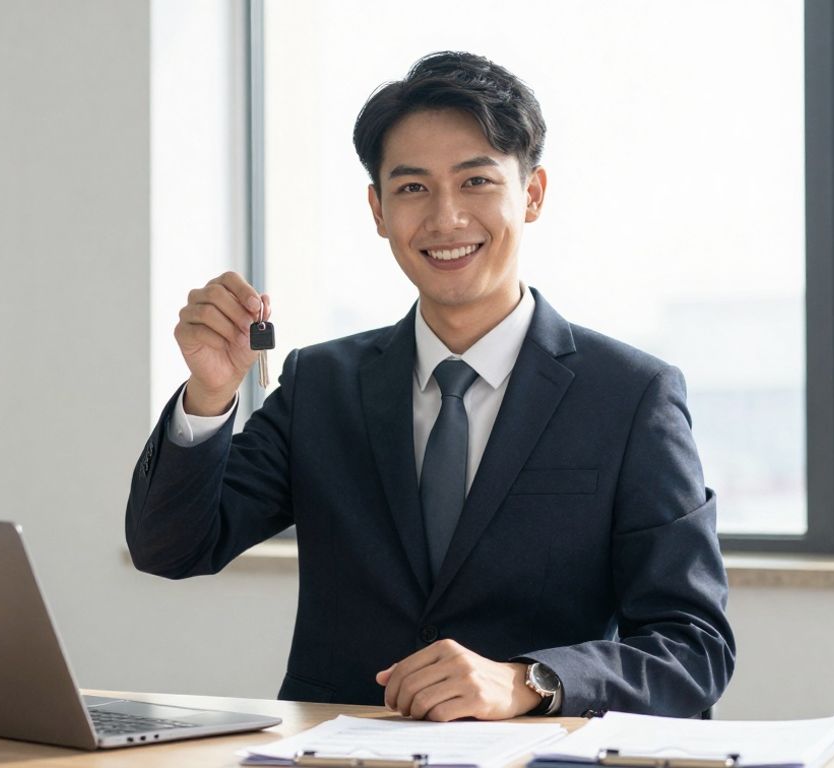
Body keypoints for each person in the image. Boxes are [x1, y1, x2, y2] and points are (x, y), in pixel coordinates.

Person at [126, 51, 734, 721]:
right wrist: (209, 395)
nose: (445, 218)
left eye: (475, 180)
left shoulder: (630, 396)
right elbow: (171, 548)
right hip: (334, 758)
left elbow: (693, 646)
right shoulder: (321, 383)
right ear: (378, 209)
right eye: (413, 187)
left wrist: (528, 681)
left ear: (531, 194)